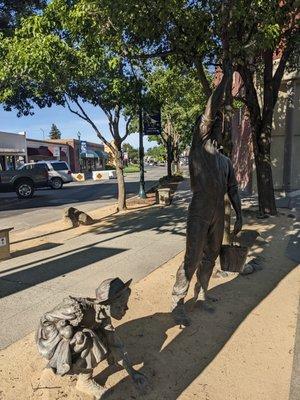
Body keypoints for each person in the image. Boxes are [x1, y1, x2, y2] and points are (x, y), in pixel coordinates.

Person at [171, 61, 243, 326]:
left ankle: (201, 293)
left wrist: (239, 214)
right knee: (192, 258)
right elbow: (210, 109)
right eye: (218, 123)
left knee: (211, 256)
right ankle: (177, 302)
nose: (221, 127)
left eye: (224, 124)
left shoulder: (225, 161)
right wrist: (223, 84)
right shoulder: (200, 144)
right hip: (200, 209)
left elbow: (233, 189)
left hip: (218, 212)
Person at [36, 278, 148, 399]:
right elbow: (46, 319)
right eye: (121, 305)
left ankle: (78, 357)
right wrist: (63, 336)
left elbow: (115, 343)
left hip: (71, 340)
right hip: (50, 341)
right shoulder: (76, 310)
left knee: (104, 338)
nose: (126, 309)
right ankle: (84, 381)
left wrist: (132, 372)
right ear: (107, 305)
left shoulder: (104, 317)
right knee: (87, 338)